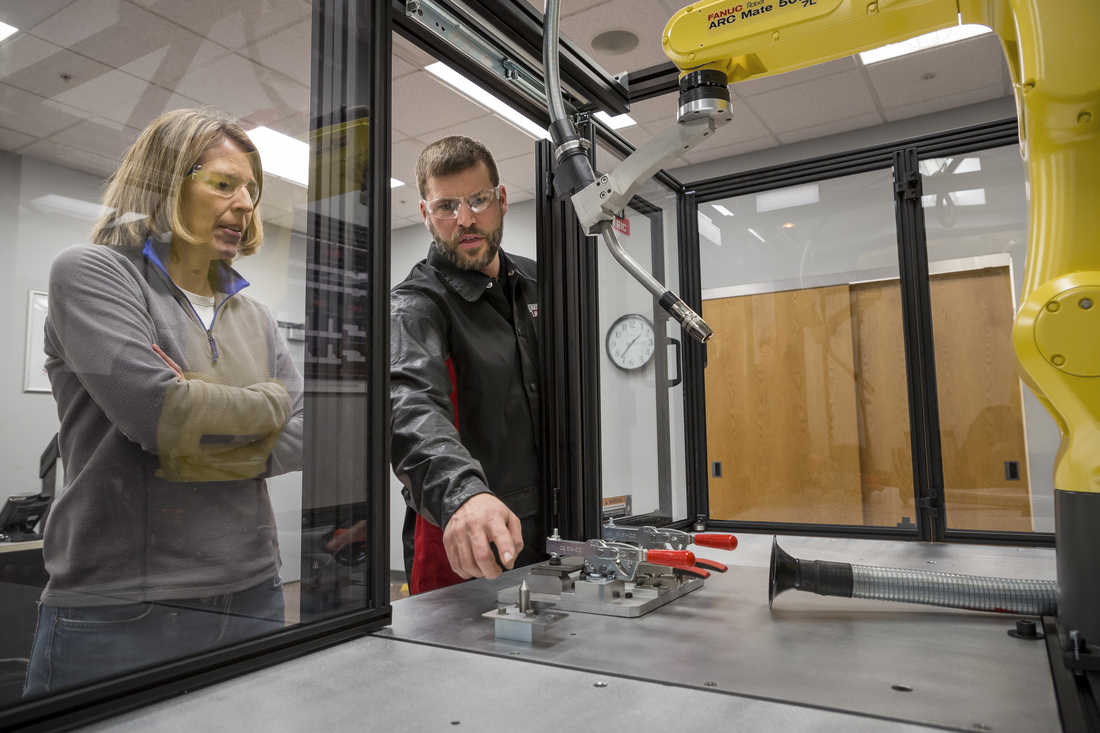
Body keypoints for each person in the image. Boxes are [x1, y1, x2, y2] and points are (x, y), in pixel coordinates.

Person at [24, 109, 303, 696]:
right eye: (224, 184)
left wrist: (197, 423)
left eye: (251, 189)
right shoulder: (93, 272)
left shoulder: (253, 314)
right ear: (164, 183)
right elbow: (160, 416)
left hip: (254, 587)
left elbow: (304, 433)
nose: (247, 204)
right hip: (124, 605)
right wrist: (266, 403)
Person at [391, 135, 543, 594]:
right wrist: (465, 494)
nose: (466, 219)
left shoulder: (540, 281)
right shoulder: (415, 305)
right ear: (424, 214)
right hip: (470, 535)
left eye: (478, 199)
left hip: (555, 527)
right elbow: (410, 405)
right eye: (446, 206)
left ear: (501, 200)